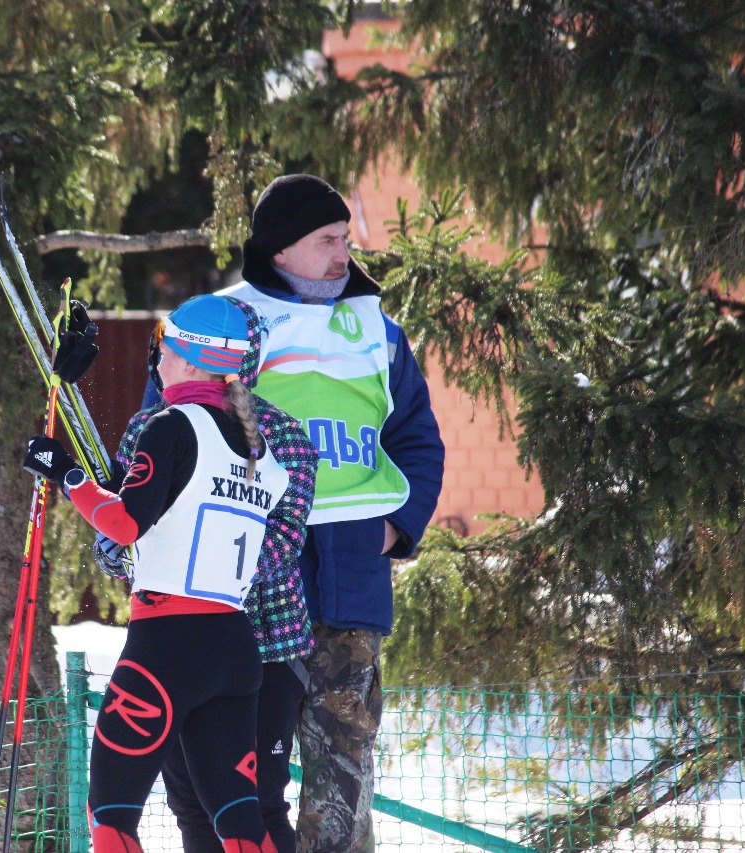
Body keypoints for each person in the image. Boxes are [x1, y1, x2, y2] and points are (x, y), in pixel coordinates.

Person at [22, 294, 297, 853]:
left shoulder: (171, 426)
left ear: (194, 361)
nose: (156, 363)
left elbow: (124, 524)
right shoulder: (261, 448)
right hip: (234, 651)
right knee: (240, 821)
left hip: (168, 647)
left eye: (162, 349)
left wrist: (66, 474)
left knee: (113, 813)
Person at [220, 174, 446, 853]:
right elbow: (174, 424)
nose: (342, 254)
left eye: (344, 239)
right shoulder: (224, 321)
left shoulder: (377, 328)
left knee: (341, 781)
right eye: (325, 241)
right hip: (250, 589)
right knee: (244, 774)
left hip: (350, 583)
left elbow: (418, 438)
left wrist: (397, 526)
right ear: (280, 249)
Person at [96, 297, 318, 853]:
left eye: (165, 348)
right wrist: (136, 547)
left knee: (259, 803)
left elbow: (282, 545)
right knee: (193, 808)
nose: (156, 360)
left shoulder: (282, 436)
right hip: (175, 643)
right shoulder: (150, 424)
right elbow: (114, 539)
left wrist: (200, 559)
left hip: (265, 645)